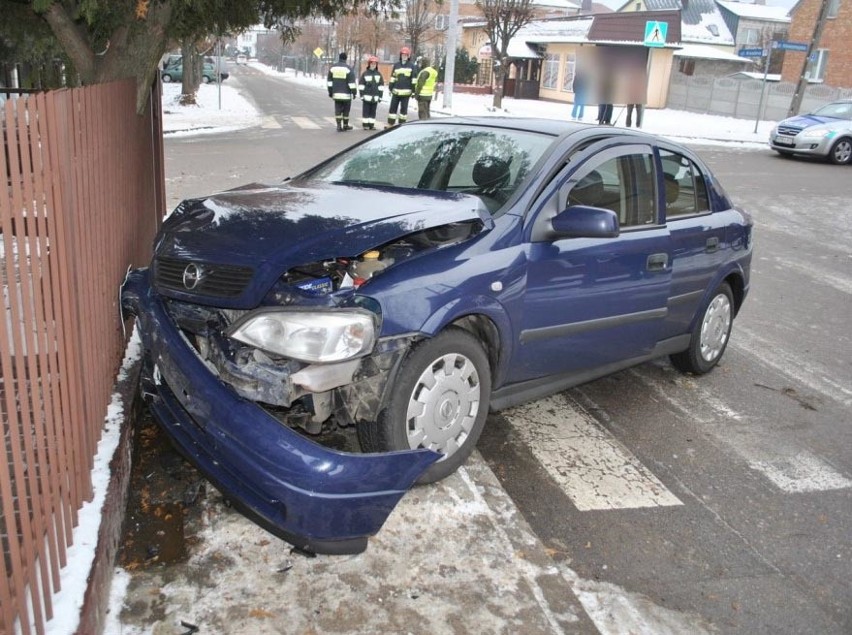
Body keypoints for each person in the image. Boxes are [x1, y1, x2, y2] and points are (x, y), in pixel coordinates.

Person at [386, 47, 417, 128]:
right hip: (396, 91)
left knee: (403, 110)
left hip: (406, 93)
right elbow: (393, 77)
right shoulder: (396, 65)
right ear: (400, 55)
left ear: (408, 56)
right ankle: (390, 124)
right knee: (392, 109)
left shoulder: (412, 66)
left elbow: (413, 79)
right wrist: (390, 88)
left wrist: (413, 91)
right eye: (403, 55)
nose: (404, 56)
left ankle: (401, 125)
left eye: (406, 55)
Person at [327, 52, 357, 132]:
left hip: (336, 94)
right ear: (346, 59)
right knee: (346, 111)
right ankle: (345, 125)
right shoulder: (348, 69)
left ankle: (338, 126)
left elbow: (329, 82)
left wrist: (330, 92)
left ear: (339, 58)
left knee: (338, 110)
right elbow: (351, 83)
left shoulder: (333, 68)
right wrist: (354, 93)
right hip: (346, 95)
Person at [358, 55, 384, 130]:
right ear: (369, 64)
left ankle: (371, 125)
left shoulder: (378, 74)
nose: (373, 65)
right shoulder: (365, 74)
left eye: (374, 64)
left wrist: (380, 96)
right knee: (366, 111)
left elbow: (381, 86)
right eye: (372, 63)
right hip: (366, 97)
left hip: (375, 97)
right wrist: (362, 95)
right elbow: (361, 85)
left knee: (373, 112)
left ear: (376, 65)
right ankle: (365, 125)